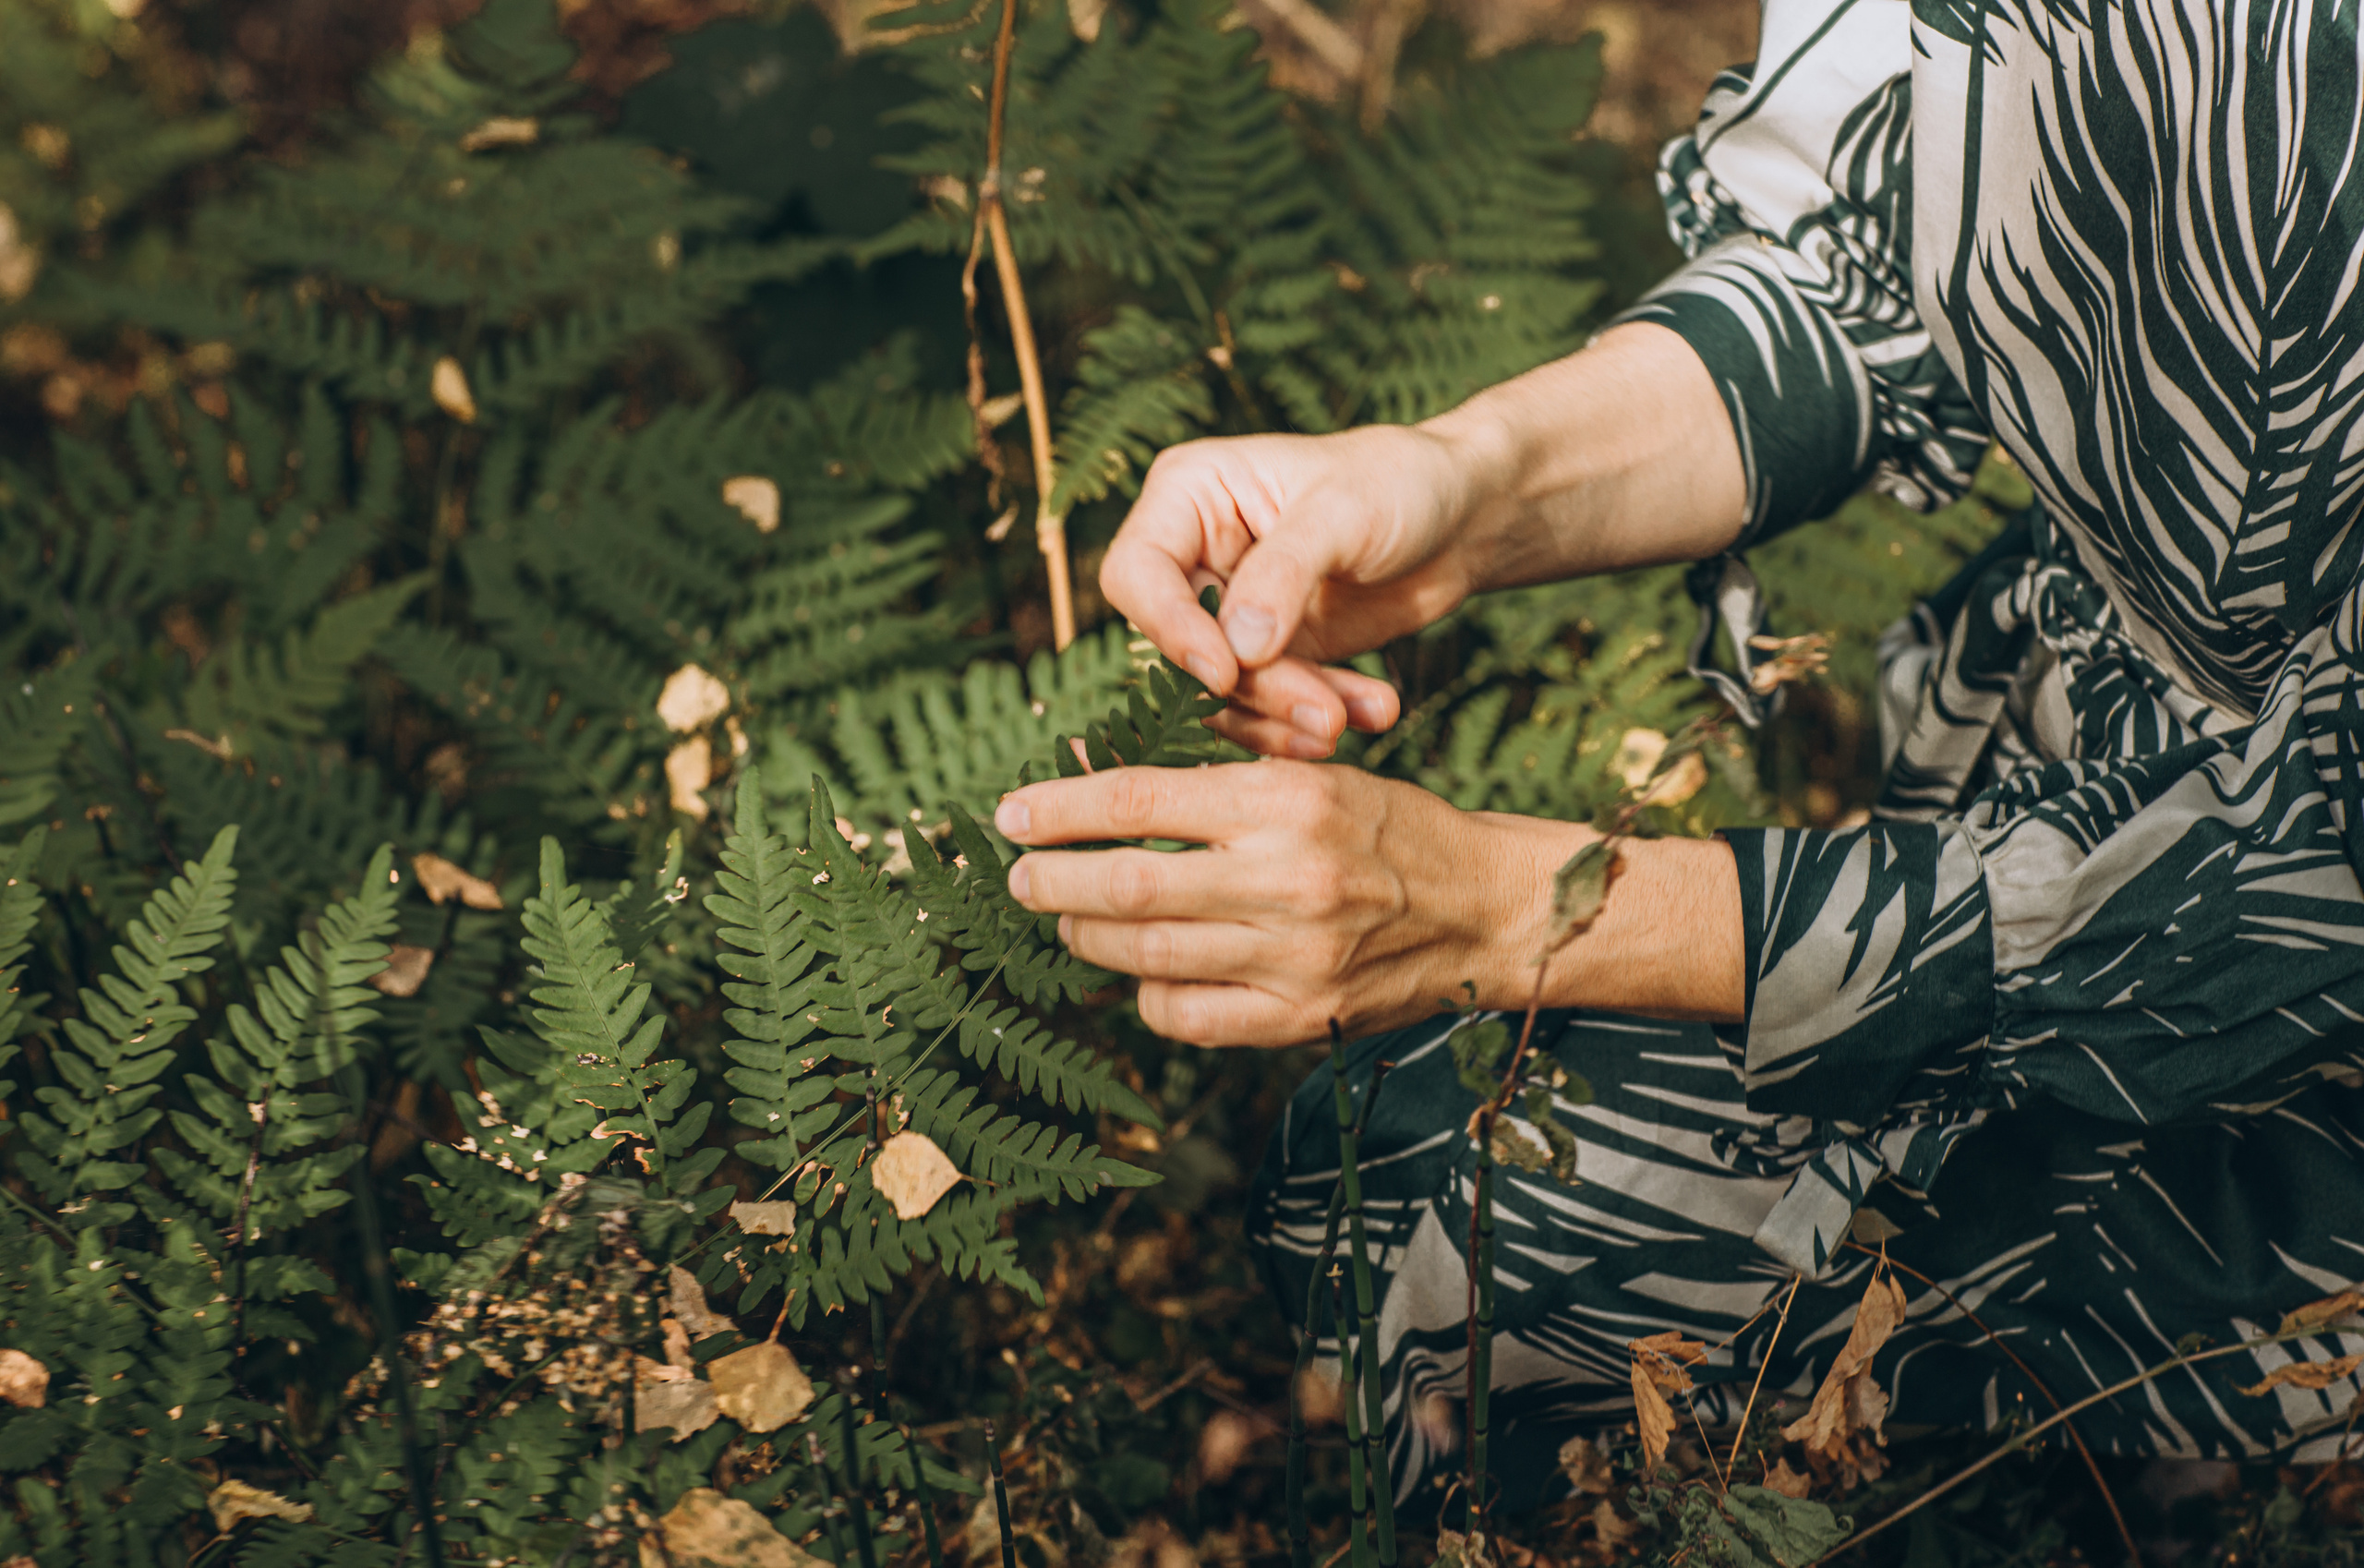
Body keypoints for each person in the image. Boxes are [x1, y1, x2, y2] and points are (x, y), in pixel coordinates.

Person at [990, 0, 2364, 1512]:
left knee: (1476, 1224)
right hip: (2067, 794)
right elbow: (1866, 262)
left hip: (2289, 983)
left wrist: (1523, 910)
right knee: (1384, 1168)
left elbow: (2314, 873)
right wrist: (1468, 479)